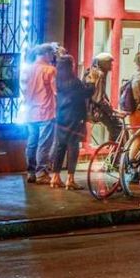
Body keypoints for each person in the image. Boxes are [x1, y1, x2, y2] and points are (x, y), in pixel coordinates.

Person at [49, 54, 92, 189]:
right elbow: (86, 93)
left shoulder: (58, 81)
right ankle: (70, 179)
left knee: (60, 146)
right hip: (74, 116)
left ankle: (55, 177)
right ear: (70, 66)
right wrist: (91, 82)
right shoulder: (74, 82)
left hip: (61, 115)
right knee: (73, 147)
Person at [21, 45, 56, 184]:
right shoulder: (50, 70)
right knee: (44, 144)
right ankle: (41, 173)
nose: (53, 56)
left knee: (32, 143)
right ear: (46, 54)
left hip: (30, 112)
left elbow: (23, 90)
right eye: (52, 54)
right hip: (46, 111)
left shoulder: (26, 69)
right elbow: (56, 91)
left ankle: (30, 171)